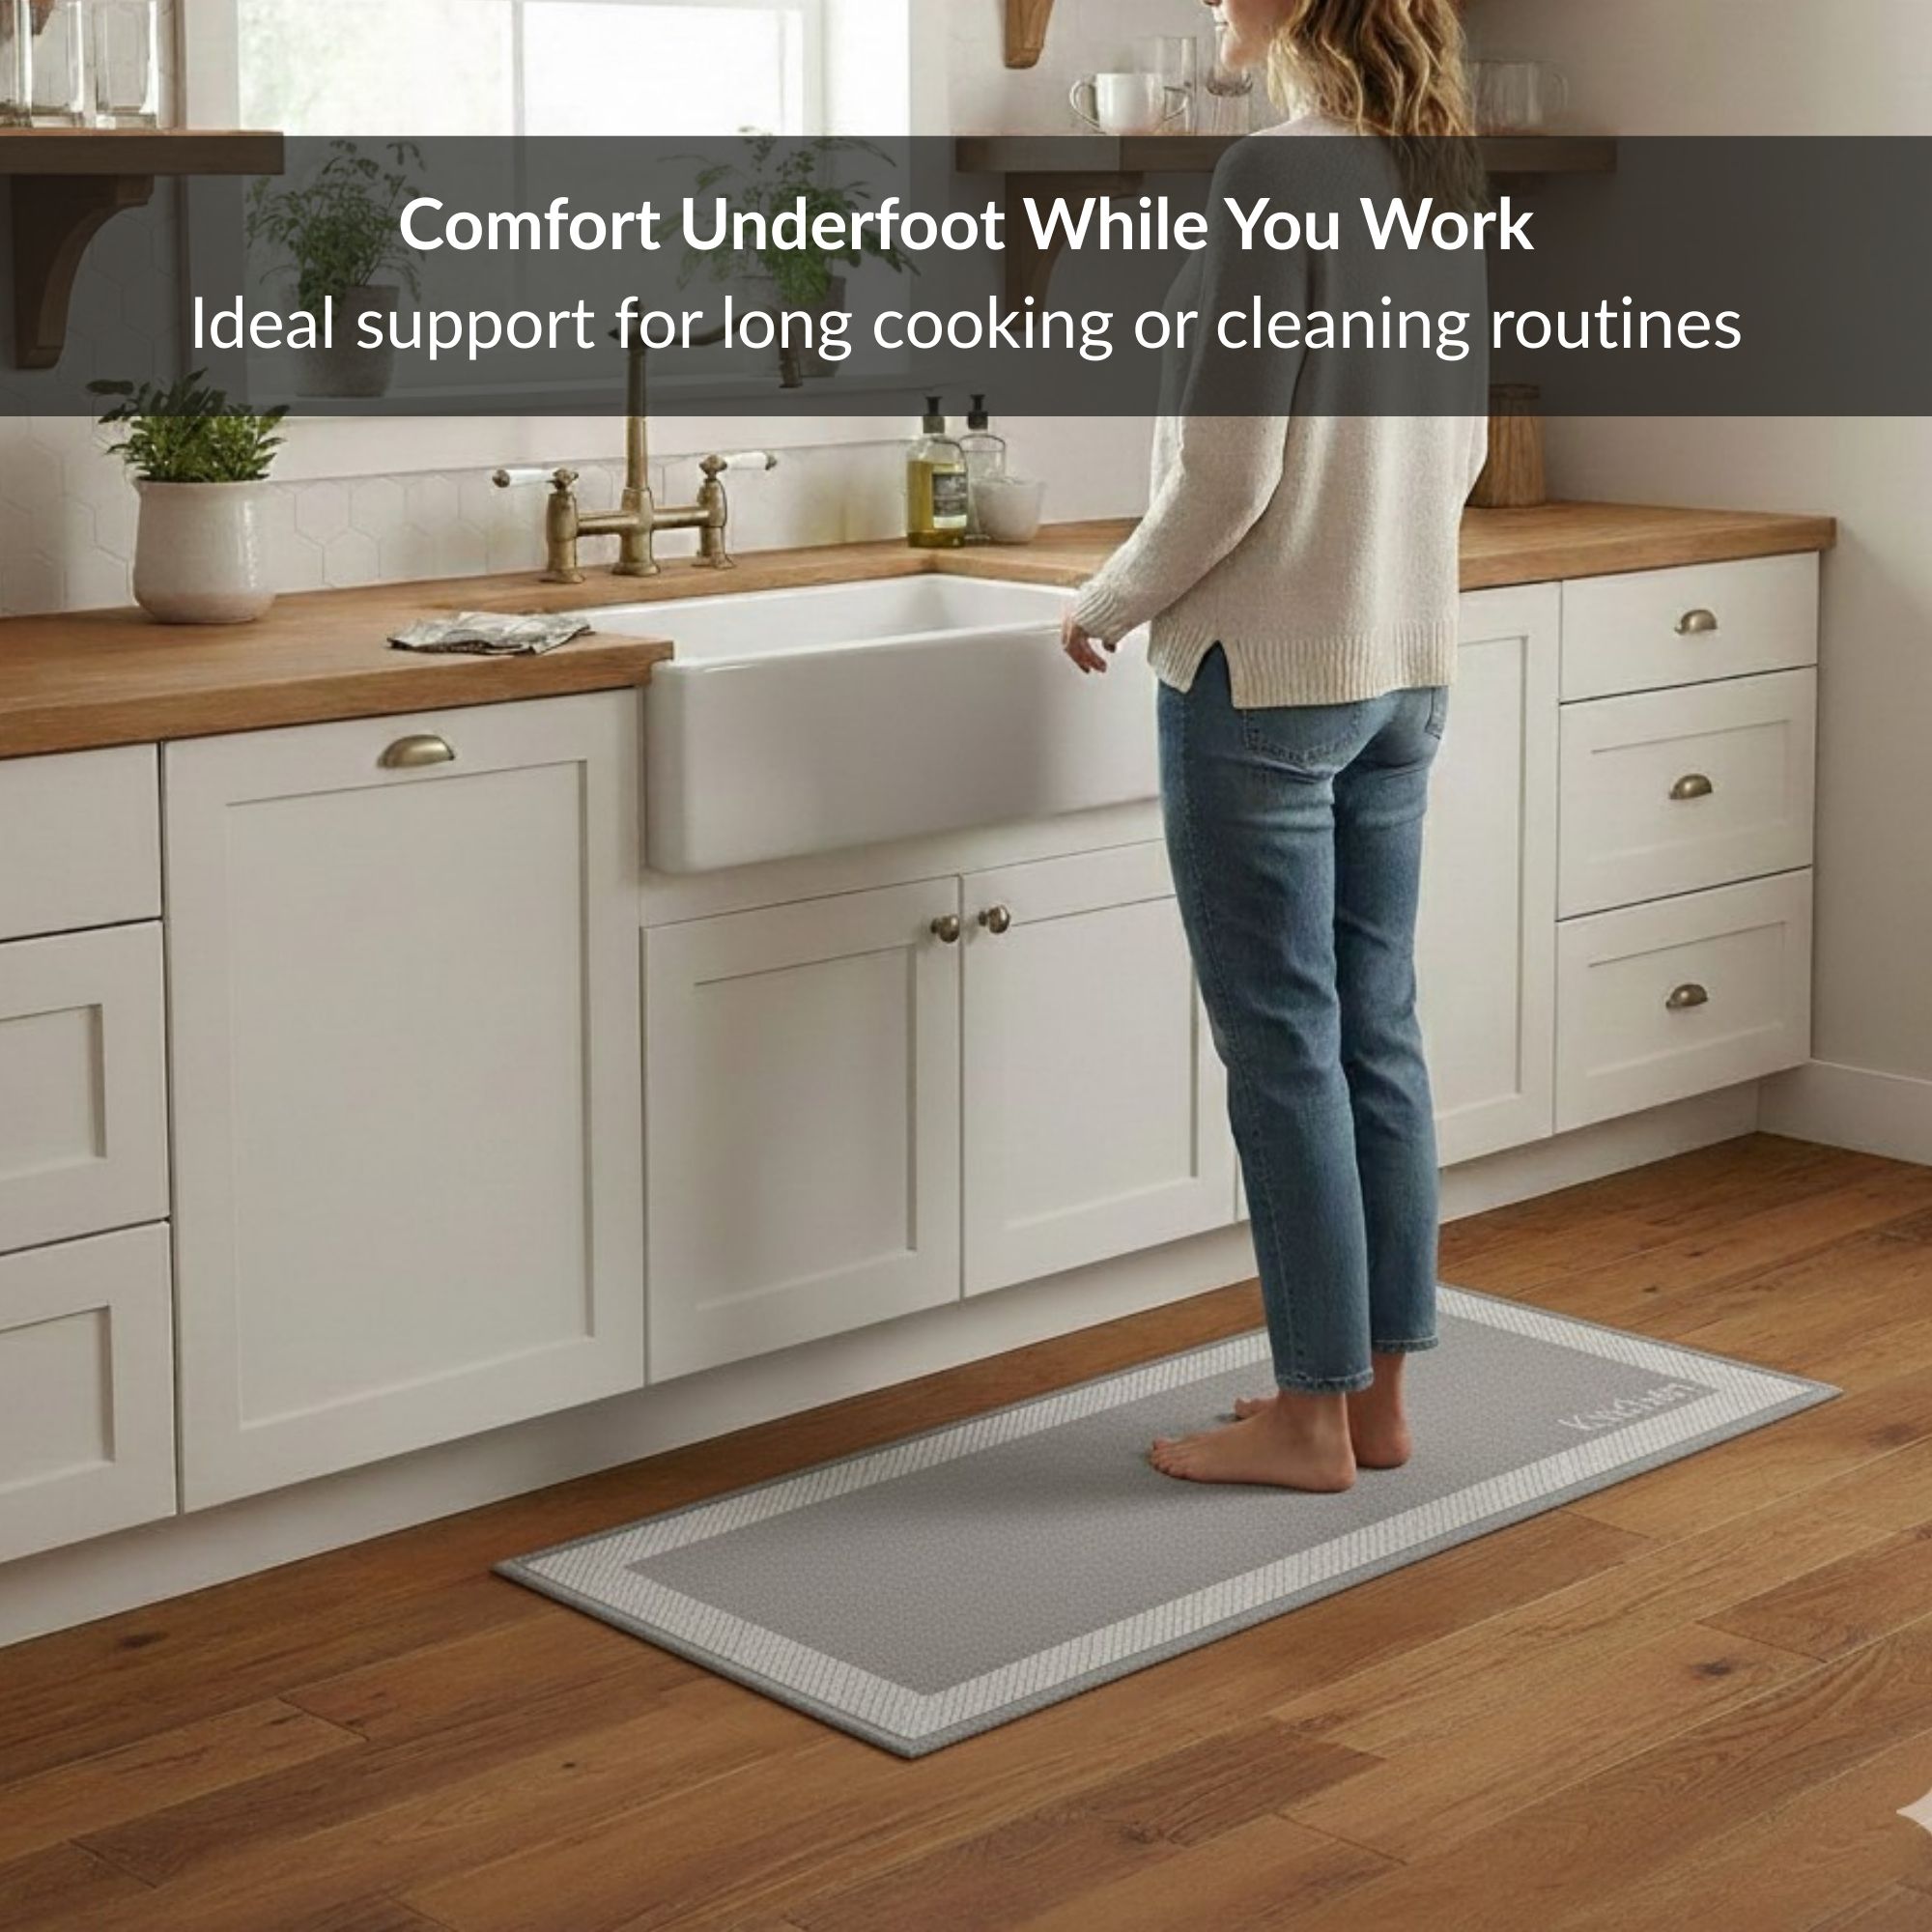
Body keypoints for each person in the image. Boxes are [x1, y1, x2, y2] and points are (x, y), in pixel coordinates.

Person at [1063, 0, 1492, 1492]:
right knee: (1374, 1031)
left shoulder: (1273, 174)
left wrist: (1109, 601)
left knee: (1285, 1051)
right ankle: (1372, 1402)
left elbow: (1227, 468)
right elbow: (1471, 446)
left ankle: (1307, 1418)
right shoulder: (1433, 172)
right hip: (1401, 670)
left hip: (1258, 680)